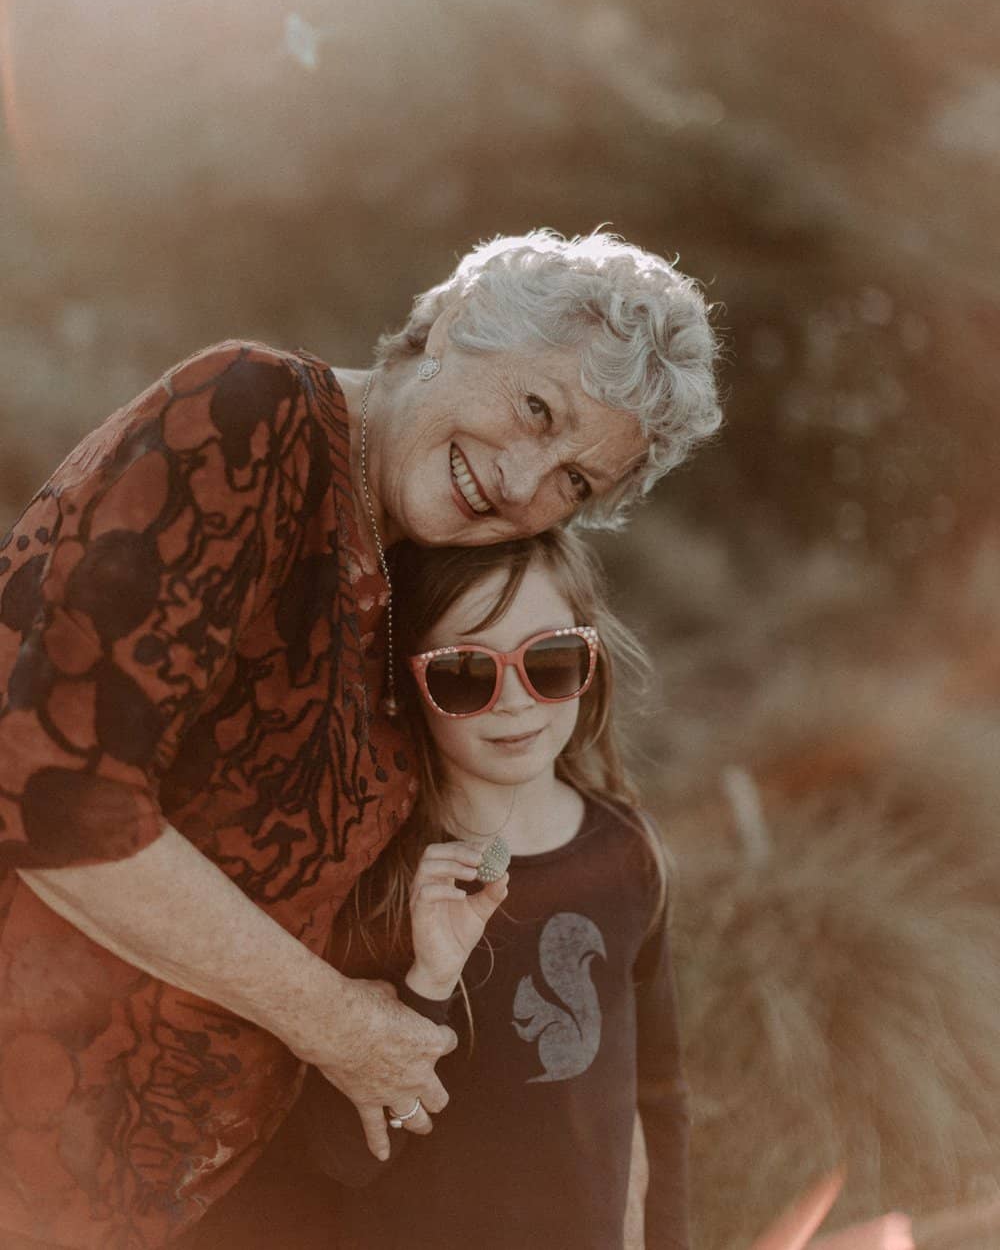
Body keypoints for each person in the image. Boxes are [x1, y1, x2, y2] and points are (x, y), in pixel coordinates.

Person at [0, 229, 720, 1247]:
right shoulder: (256, 415)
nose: (523, 485)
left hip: (196, 1193)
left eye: (573, 482)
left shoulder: (409, 570)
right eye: (535, 409)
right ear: (458, 326)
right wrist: (338, 1025)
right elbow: (55, 795)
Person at [299, 527, 689, 1250]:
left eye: (550, 660)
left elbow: (658, 1096)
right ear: (407, 682)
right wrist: (429, 980)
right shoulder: (379, 881)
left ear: (590, 659)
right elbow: (345, 1157)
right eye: (465, 673)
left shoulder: (628, 850)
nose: (515, 700)